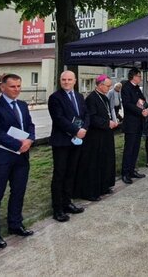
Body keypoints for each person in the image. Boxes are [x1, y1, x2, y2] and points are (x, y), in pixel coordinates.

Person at [0, 73, 36, 248]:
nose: (17, 90)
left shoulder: (22, 105)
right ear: (2, 87)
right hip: (1, 157)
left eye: (19, 86)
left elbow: (29, 125)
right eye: (13, 86)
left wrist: (30, 139)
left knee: (18, 191)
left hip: (21, 157)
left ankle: (15, 223)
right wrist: (17, 144)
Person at [48, 70, 88, 221]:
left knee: (71, 172)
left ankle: (67, 202)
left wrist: (84, 129)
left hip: (77, 140)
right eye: (63, 79)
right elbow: (58, 119)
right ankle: (57, 209)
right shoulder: (55, 98)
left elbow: (86, 114)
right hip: (62, 141)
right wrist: (76, 130)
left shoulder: (79, 96)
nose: (66, 82)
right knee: (60, 174)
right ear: (60, 81)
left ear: (75, 81)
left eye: (69, 79)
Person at [74, 75, 119, 201]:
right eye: (108, 86)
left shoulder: (104, 97)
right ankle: (91, 191)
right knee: (94, 163)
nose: (109, 88)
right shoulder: (91, 98)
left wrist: (112, 121)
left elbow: (107, 112)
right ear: (100, 85)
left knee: (105, 161)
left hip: (105, 134)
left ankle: (103, 186)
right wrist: (107, 123)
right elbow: (92, 118)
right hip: (95, 137)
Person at [120, 68, 148, 184]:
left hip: (139, 123)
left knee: (136, 148)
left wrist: (146, 108)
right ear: (133, 76)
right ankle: (125, 173)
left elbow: (142, 99)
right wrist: (140, 111)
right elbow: (127, 104)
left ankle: (132, 170)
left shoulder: (137, 87)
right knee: (129, 149)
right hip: (131, 123)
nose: (140, 78)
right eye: (139, 76)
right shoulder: (126, 87)